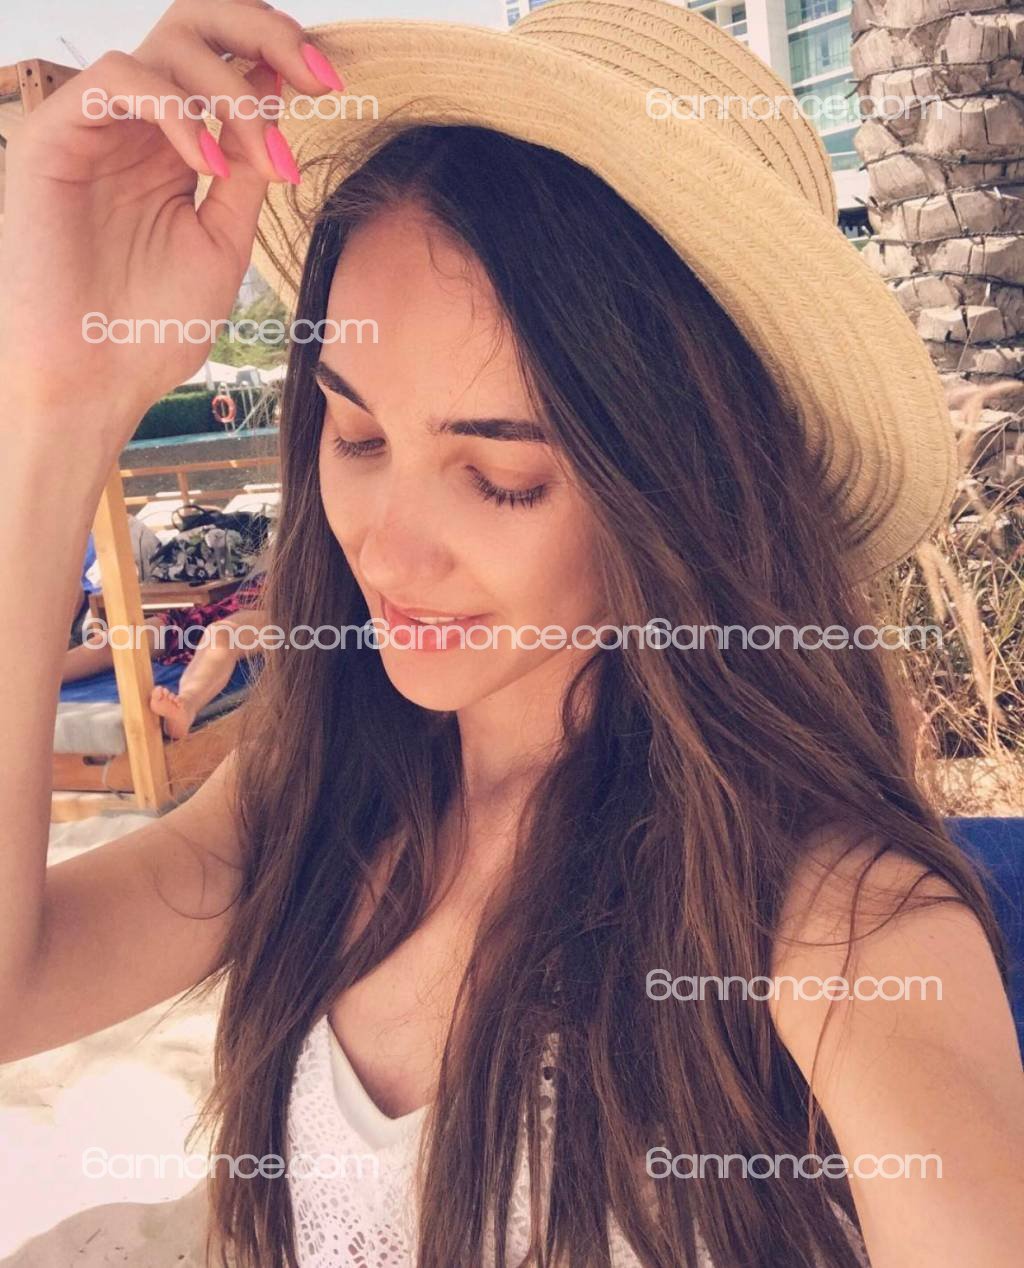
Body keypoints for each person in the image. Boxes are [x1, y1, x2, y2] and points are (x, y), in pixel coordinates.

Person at [0, 2, 1021, 1267]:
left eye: (501, 477)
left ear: (683, 489)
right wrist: (55, 403)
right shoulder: (314, 789)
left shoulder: (831, 924)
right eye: (356, 436)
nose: (387, 549)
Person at [62, 559, 269, 740]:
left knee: (222, 635)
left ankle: (186, 706)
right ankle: (46, 677)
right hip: (220, 610)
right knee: (124, 638)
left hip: (276, 614)